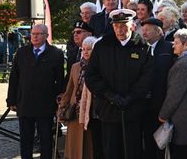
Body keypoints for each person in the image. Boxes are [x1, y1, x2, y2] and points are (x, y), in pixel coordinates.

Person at [84, 9, 154, 159]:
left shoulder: (142, 46)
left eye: (123, 25)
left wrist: (131, 97)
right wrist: (108, 95)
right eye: (116, 26)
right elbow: (91, 76)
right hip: (108, 109)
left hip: (133, 110)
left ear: (132, 26)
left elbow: (147, 78)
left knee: (132, 151)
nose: (120, 30)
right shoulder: (103, 46)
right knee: (110, 151)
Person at [7, 24, 65, 159]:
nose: (35, 36)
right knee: (26, 140)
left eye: (38, 34)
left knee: (45, 140)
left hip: (45, 105)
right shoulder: (22, 53)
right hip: (25, 103)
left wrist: (59, 102)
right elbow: (14, 78)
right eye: (33, 34)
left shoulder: (56, 54)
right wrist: (11, 100)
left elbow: (60, 81)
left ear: (46, 36)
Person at [159, 29, 187, 158]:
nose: (173, 45)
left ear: (186, 45)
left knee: (180, 153)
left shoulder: (184, 64)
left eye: (177, 43)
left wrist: (163, 115)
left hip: (182, 119)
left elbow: (175, 94)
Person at [58, 36, 98, 159]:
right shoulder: (75, 67)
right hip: (75, 112)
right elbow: (69, 89)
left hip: (91, 113)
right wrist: (62, 107)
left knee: (90, 147)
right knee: (74, 149)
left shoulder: (99, 67)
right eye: (83, 49)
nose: (85, 52)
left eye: (89, 49)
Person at [140, 18, 174, 159]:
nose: (144, 32)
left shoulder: (169, 48)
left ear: (158, 31)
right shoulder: (141, 48)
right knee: (147, 138)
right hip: (143, 103)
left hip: (162, 103)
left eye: (148, 29)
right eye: (143, 30)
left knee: (161, 141)